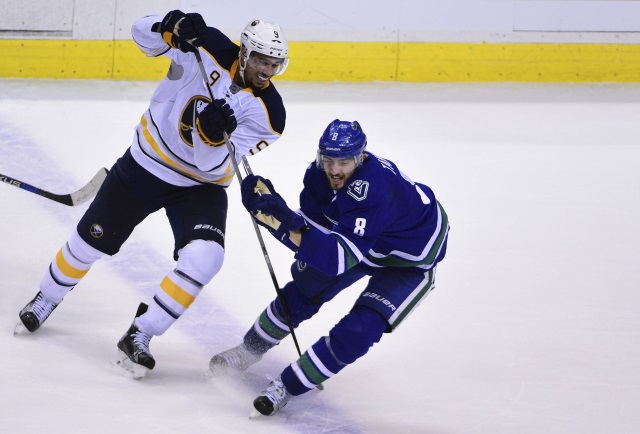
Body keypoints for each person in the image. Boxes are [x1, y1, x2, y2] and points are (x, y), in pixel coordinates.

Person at [15, 10, 289, 378]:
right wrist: (166, 26)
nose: (266, 71)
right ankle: (47, 297)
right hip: (147, 163)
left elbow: (214, 167)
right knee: (89, 243)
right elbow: (140, 36)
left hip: (200, 187)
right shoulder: (205, 45)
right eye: (260, 60)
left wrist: (208, 135)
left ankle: (141, 333)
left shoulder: (271, 115)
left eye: (274, 64)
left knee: (206, 258)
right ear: (243, 52)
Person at [209, 119, 450, 416]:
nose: (335, 170)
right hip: (363, 243)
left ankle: (289, 385)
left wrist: (280, 226)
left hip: (409, 260)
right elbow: (314, 226)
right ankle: (249, 350)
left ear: (361, 157)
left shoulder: (373, 188)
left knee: (360, 330)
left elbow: (336, 260)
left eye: (345, 161)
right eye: (329, 159)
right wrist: (276, 212)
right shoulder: (318, 174)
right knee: (302, 290)